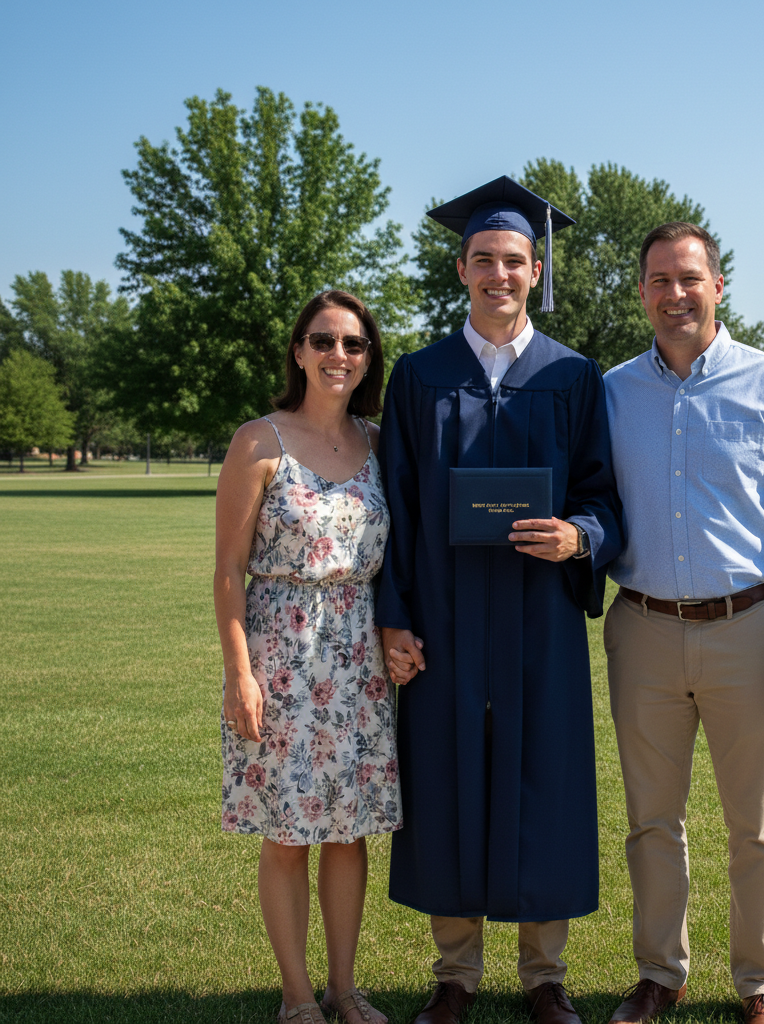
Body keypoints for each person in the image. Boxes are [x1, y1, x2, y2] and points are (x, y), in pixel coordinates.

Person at [376, 176, 623, 1024]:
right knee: (447, 781)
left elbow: (604, 497)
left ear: (535, 268)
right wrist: (394, 615)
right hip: (444, 622)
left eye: (514, 260)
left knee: (542, 782)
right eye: (483, 259)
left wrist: (580, 538)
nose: (499, 274)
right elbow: (396, 507)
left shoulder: (573, 377)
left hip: (539, 625)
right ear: (460, 270)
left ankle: (544, 977)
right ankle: (455, 975)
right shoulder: (418, 376)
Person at [602, 223, 764, 1024]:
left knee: (758, 824)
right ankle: (658, 973)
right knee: (650, 820)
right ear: (641, 292)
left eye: (689, 278)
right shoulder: (608, 393)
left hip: (751, 629)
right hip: (641, 628)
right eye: (659, 281)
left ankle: (761, 987)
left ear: (718, 285)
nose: (675, 294)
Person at [215, 291, 402, 1024]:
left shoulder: (380, 442)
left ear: (367, 359)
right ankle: (297, 997)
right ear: (298, 351)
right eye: (323, 341)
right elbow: (229, 569)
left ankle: (344, 989)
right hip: (281, 656)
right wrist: (240, 674)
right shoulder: (258, 441)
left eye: (354, 345)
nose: (338, 355)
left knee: (348, 830)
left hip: (358, 656)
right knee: (289, 832)